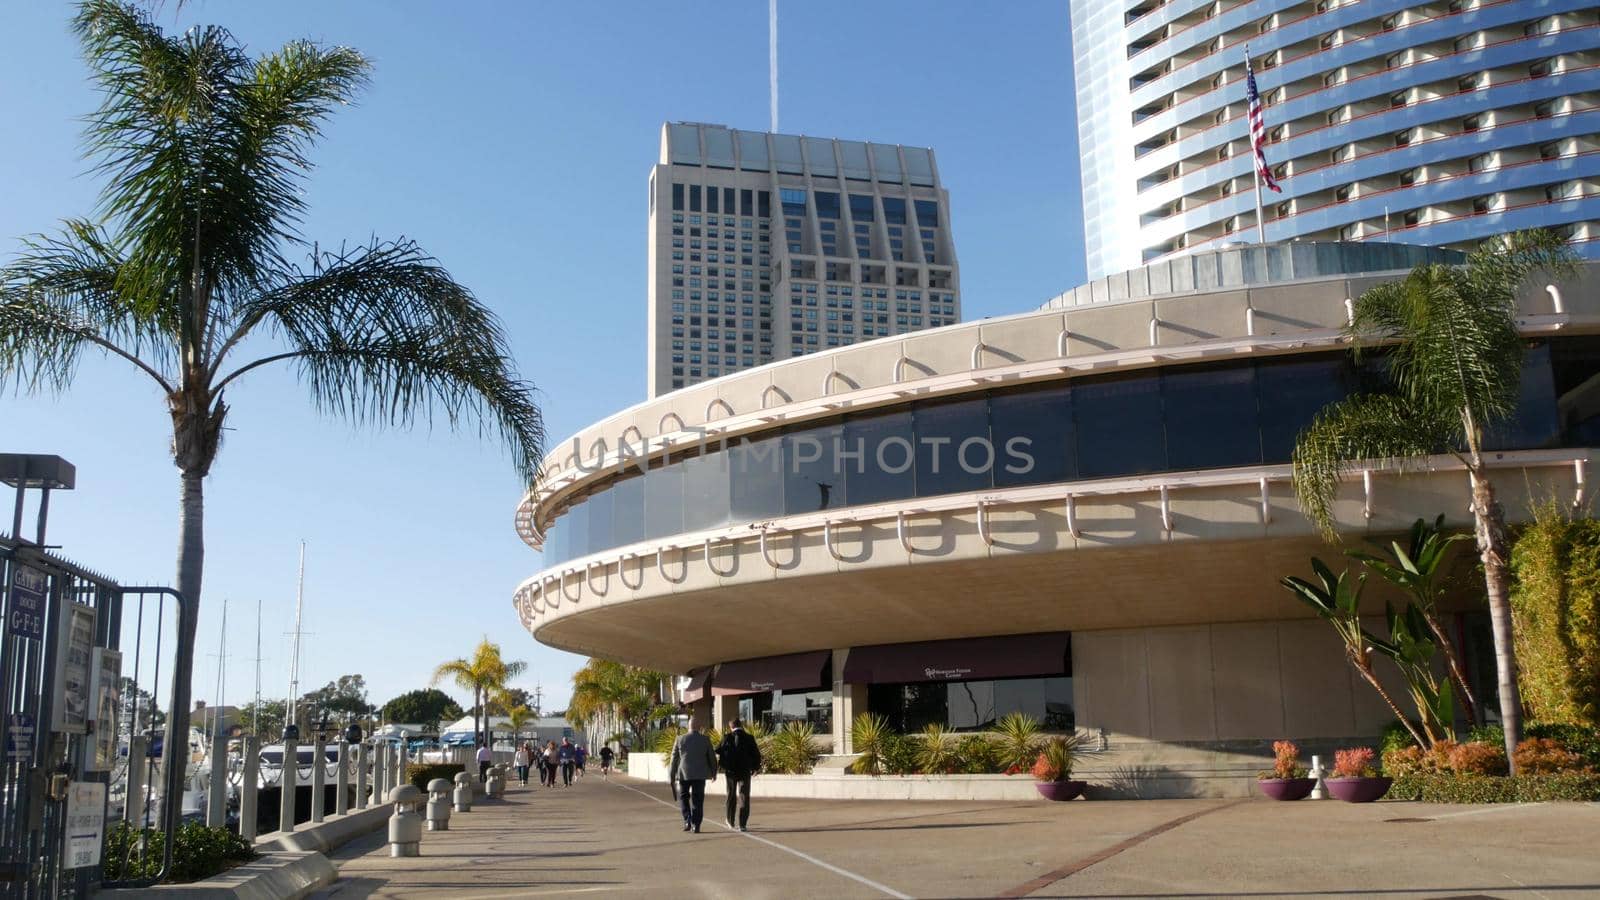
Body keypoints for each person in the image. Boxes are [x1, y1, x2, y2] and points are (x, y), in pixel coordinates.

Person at [668, 721, 717, 833]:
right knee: (698, 800)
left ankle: (687, 821)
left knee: (684, 798)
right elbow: (712, 757)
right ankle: (696, 824)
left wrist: (671, 776)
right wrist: (714, 773)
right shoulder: (705, 739)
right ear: (699, 727)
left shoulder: (680, 739)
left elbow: (673, 760)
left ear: (688, 726)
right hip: (700, 775)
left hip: (684, 775)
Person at [716, 718, 762, 832]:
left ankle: (730, 821)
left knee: (730, 795)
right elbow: (756, 754)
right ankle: (742, 824)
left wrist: (722, 763)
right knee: (744, 796)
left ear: (731, 727)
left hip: (731, 772)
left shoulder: (727, 737)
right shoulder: (749, 738)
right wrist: (755, 768)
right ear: (741, 725)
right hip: (745, 771)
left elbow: (717, 750)